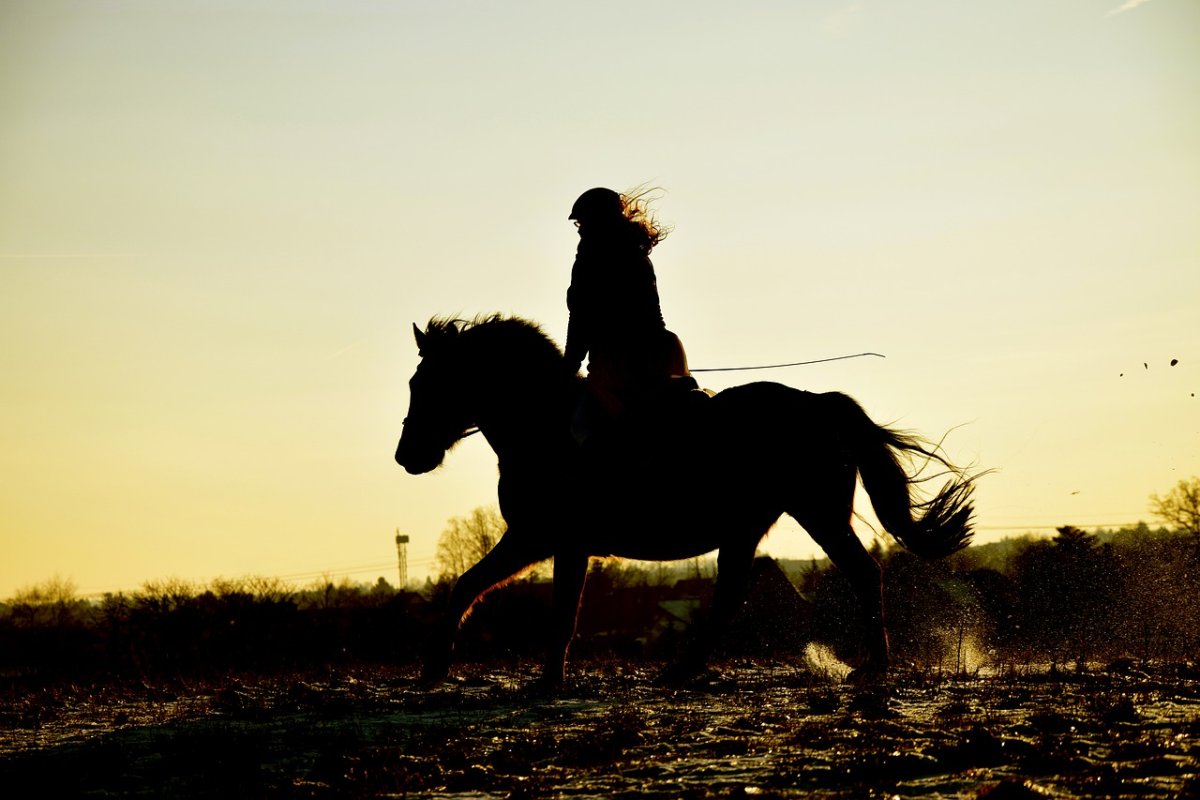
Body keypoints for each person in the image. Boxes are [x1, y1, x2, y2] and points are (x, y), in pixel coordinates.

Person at [564, 187, 695, 443]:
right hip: (663, 351)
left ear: (596, 221)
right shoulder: (636, 251)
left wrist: (569, 365)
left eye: (582, 223)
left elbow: (582, 316)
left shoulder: (592, 257)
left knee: (582, 424)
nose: (579, 229)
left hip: (620, 362)